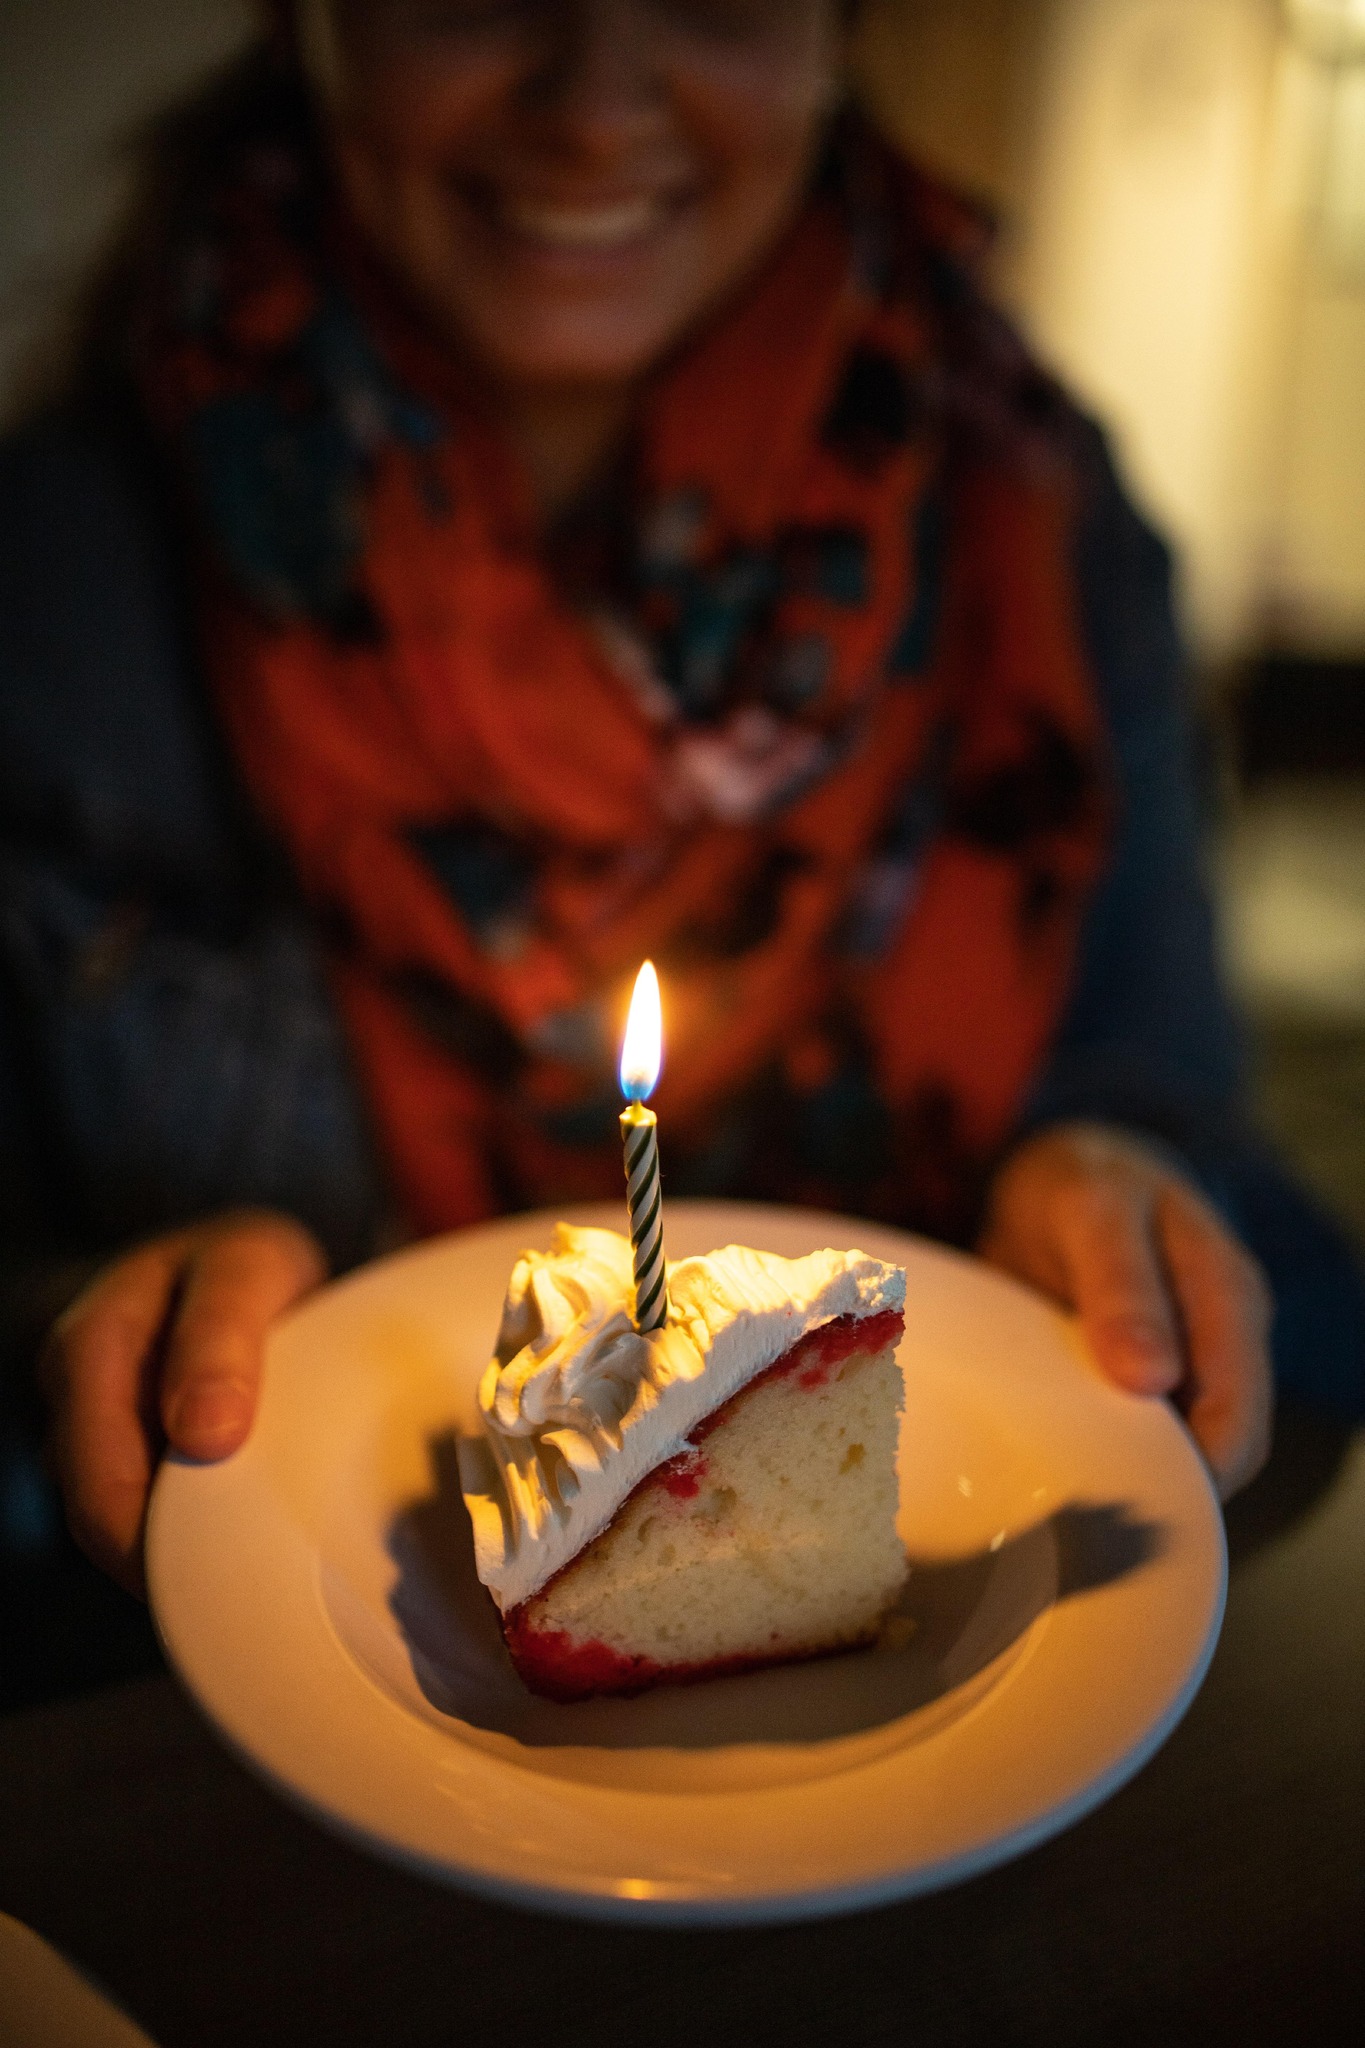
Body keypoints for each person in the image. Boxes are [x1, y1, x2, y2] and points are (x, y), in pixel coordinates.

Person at [2, 0, 1360, 1602]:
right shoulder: (64, 566)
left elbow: (1209, 1147)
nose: (593, 106)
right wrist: (83, 1326)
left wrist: (1124, 1179)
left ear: (836, 31)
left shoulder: (1040, 532)